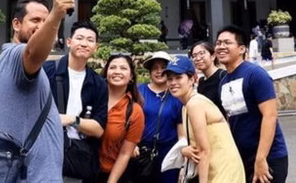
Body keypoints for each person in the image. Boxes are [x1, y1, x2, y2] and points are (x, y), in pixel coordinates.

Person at [0, 0, 74, 183]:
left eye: (45, 20)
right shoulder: (15, 55)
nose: (42, 26)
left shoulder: (12, 61)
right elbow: (32, 53)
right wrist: (55, 16)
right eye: (35, 20)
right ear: (16, 24)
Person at [215, 26, 289, 183]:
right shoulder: (223, 82)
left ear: (242, 49)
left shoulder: (255, 75)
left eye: (227, 42)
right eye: (218, 43)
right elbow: (231, 119)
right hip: (243, 158)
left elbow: (270, 116)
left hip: (268, 157)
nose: (221, 47)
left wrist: (261, 158)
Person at [44, 21, 108, 183]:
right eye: (79, 38)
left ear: (96, 47)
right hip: (44, 153)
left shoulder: (98, 84)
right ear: (69, 41)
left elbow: (99, 129)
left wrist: (71, 119)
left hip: (78, 159)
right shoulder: (47, 70)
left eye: (90, 40)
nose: (84, 43)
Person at [165, 56, 246, 183]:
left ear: (192, 79)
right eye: (170, 79)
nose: (173, 82)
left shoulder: (194, 104)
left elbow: (204, 151)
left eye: (178, 77)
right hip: (217, 169)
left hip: (223, 171)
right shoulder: (187, 105)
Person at [136, 51, 184, 183]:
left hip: (169, 153)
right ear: (150, 72)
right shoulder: (139, 91)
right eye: (155, 68)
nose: (159, 71)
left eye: (163, 68)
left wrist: (183, 162)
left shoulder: (177, 96)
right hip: (142, 151)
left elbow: (182, 133)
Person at [97, 53, 145, 183]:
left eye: (123, 68)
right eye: (113, 67)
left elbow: (125, 154)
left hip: (109, 174)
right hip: (79, 170)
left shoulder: (134, 111)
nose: (117, 71)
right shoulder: (92, 98)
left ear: (131, 77)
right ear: (106, 72)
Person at [189, 41, 226, 116]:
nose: (198, 58)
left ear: (213, 56)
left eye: (202, 53)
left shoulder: (223, 76)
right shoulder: (201, 81)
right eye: (194, 56)